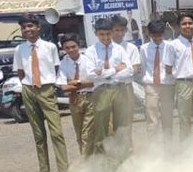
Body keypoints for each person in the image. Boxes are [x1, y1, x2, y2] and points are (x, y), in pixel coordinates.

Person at [13, 15, 69, 172]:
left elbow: (56, 67)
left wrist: (49, 85)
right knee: (38, 133)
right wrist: (27, 85)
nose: (27, 30)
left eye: (30, 26)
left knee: (56, 131)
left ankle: (64, 171)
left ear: (38, 27)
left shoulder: (50, 47)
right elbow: (20, 71)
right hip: (29, 90)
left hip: (46, 89)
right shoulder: (19, 49)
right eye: (24, 27)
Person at [85, 19, 131, 161]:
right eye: (102, 34)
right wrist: (115, 69)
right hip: (101, 91)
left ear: (112, 32)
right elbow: (90, 74)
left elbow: (129, 71)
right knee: (101, 128)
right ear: (96, 33)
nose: (105, 37)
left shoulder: (119, 49)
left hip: (119, 89)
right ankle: (101, 162)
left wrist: (103, 73)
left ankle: (122, 161)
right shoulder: (91, 51)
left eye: (108, 34)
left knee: (121, 127)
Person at [171, 14, 193, 140]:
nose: (188, 26)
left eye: (190, 23)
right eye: (184, 24)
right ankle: (185, 148)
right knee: (184, 118)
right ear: (178, 27)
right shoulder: (173, 45)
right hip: (183, 84)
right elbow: (168, 68)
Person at [57, 34, 94, 156]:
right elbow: (63, 86)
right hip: (74, 100)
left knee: (87, 132)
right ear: (63, 49)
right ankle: (86, 158)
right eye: (67, 48)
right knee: (79, 132)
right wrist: (83, 83)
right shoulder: (63, 63)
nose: (71, 50)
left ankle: (86, 161)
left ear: (79, 46)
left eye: (73, 46)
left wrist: (74, 82)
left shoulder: (88, 60)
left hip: (90, 97)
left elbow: (94, 81)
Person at [141, 20, 177, 142]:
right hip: (151, 85)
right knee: (152, 117)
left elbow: (174, 65)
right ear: (149, 34)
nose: (157, 38)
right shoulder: (144, 48)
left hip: (167, 84)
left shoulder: (170, 47)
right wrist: (146, 82)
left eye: (159, 35)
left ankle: (168, 145)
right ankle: (153, 147)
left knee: (167, 116)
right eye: (154, 35)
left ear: (163, 34)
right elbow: (143, 67)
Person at [111, 16, 139, 152]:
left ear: (126, 30)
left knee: (126, 121)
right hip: (108, 89)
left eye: (122, 30)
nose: (119, 33)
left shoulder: (131, 48)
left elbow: (134, 69)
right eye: (116, 30)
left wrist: (111, 73)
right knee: (110, 122)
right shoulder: (104, 48)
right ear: (111, 30)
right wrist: (120, 69)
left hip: (125, 88)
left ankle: (128, 151)